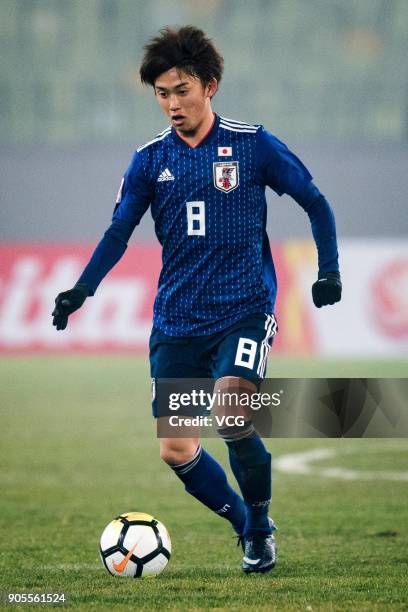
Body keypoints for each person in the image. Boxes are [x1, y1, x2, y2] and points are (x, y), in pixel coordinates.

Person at [52, 25, 341, 574]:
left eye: (181, 90)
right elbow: (118, 232)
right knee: (176, 450)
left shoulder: (252, 144)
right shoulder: (148, 160)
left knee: (232, 413)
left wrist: (329, 272)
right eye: (162, 94)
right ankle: (247, 525)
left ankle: (258, 526)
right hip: (179, 320)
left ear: (210, 86)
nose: (172, 104)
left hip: (244, 310)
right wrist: (80, 290)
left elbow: (316, 202)